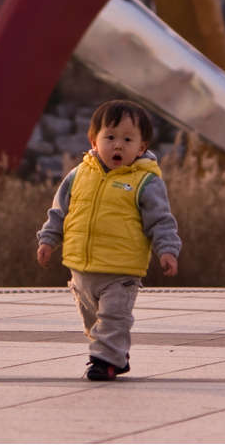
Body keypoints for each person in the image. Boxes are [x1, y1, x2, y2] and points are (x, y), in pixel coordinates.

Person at [36, 99, 181, 381]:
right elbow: (59, 211)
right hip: (81, 269)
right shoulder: (78, 175)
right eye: (110, 137)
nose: (118, 146)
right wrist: (48, 240)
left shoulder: (145, 182)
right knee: (94, 322)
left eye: (128, 140)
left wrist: (167, 250)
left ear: (141, 148)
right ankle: (113, 352)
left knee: (114, 318)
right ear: (94, 140)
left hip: (121, 272)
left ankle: (106, 362)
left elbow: (161, 220)